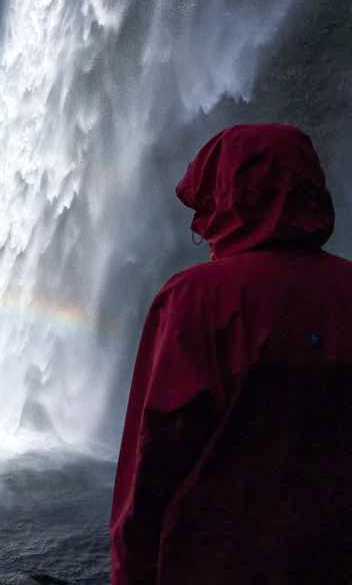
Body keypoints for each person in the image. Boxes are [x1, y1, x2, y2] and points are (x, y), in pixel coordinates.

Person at [111, 124, 352, 584]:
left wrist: (130, 569)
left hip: (217, 561)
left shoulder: (196, 299)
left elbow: (154, 452)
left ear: (225, 194)